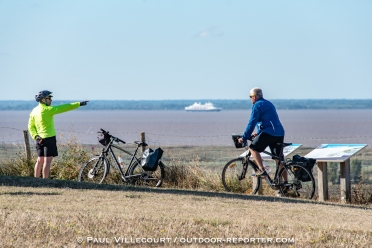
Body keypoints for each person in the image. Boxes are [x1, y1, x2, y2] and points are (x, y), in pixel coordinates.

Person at [28, 90, 88, 179]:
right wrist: (78, 104)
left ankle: (36, 180)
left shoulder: (34, 111)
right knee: (47, 161)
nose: (51, 100)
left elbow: (30, 126)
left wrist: (35, 136)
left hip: (39, 139)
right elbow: (63, 107)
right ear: (43, 100)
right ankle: (45, 180)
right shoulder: (47, 110)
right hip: (49, 138)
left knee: (40, 160)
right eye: (49, 98)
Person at [238, 87, 285, 177]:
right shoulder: (269, 103)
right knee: (279, 160)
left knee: (253, 148)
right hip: (279, 132)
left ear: (254, 97)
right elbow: (267, 121)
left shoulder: (257, 105)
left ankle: (262, 170)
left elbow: (252, 123)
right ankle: (285, 185)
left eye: (250, 96)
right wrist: (259, 132)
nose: (250, 98)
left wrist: (244, 137)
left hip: (269, 133)